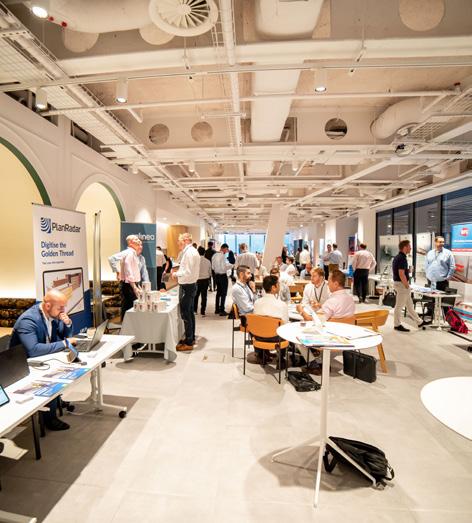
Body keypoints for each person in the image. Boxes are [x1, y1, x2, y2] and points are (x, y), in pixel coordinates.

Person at [10, 289, 77, 431]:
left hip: (43, 358)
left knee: (62, 369)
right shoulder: (28, 320)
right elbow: (33, 350)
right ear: (47, 306)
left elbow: (65, 335)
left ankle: (55, 401)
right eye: (60, 308)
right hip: (24, 365)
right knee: (52, 376)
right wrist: (64, 344)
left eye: (64, 307)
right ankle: (50, 419)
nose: (63, 311)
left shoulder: (53, 314)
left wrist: (68, 323)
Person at [171, 233, 200, 350]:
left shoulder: (189, 253)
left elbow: (187, 272)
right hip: (190, 285)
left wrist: (175, 274)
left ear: (186, 240)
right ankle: (190, 337)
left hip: (187, 286)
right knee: (190, 313)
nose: (178, 243)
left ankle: (188, 342)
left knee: (186, 314)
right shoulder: (191, 251)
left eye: (179, 240)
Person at [392, 239, 424, 332]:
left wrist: (408, 271)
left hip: (400, 284)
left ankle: (419, 322)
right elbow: (401, 274)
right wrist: (406, 285)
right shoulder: (402, 258)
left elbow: (401, 271)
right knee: (399, 306)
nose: (410, 248)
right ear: (405, 247)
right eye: (409, 246)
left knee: (409, 306)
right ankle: (397, 325)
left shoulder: (398, 257)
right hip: (402, 285)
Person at [118, 235, 142, 320]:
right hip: (128, 285)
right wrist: (134, 286)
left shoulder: (132, 253)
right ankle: (126, 326)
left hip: (130, 284)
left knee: (129, 306)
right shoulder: (130, 253)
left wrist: (137, 285)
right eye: (136, 239)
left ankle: (127, 325)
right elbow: (128, 269)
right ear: (130, 243)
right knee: (129, 307)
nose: (138, 240)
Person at [212, 243, 233, 316]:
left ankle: (217, 309)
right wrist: (231, 266)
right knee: (224, 293)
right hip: (223, 276)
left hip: (216, 276)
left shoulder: (214, 255)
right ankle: (222, 310)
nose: (226, 251)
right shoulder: (222, 256)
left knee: (218, 293)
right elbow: (224, 267)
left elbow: (213, 267)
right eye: (226, 250)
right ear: (223, 248)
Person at [194, 246, 211, 316]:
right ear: (204, 253)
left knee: (196, 296)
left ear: (198, 252)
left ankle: (195, 310)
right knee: (204, 296)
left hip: (197, 280)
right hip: (205, 280)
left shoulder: (195, 261)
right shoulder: (208, 261)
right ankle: (203, 311)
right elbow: (210, 272)